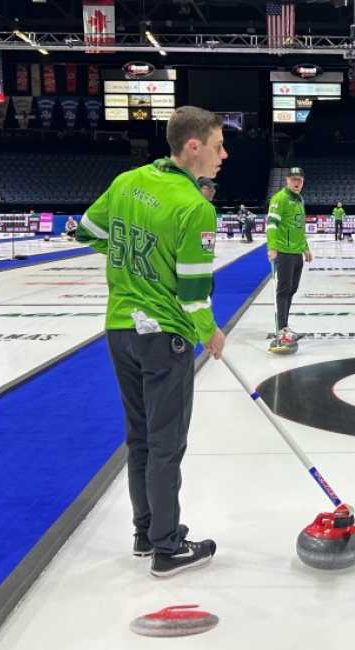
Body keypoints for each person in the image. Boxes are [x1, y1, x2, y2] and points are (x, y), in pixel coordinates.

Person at [75, 105, 227, 578]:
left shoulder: (127, 182)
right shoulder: (194, 207)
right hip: (166, 337)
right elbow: (193, 291)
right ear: (193, 147)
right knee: (166, 444)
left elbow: (88, 230)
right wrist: (212, 333)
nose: (224, 155)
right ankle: (166, 546)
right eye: (219, 146)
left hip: (120, 329)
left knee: (139, 437)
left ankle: (145, 532)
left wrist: (134, 263)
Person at [266, 167, 311, 353]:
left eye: (299, 179)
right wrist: (272, 246)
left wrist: (305, 248)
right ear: (287, 180)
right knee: (283, 291)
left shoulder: (299, 199)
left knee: (292, 290)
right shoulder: (280, 199)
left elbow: (299, 227)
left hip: (296, 253)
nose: (296, 182)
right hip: (283, 252)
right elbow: (271, 224)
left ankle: (284, 327)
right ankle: (281, 331)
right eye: (293, 179)